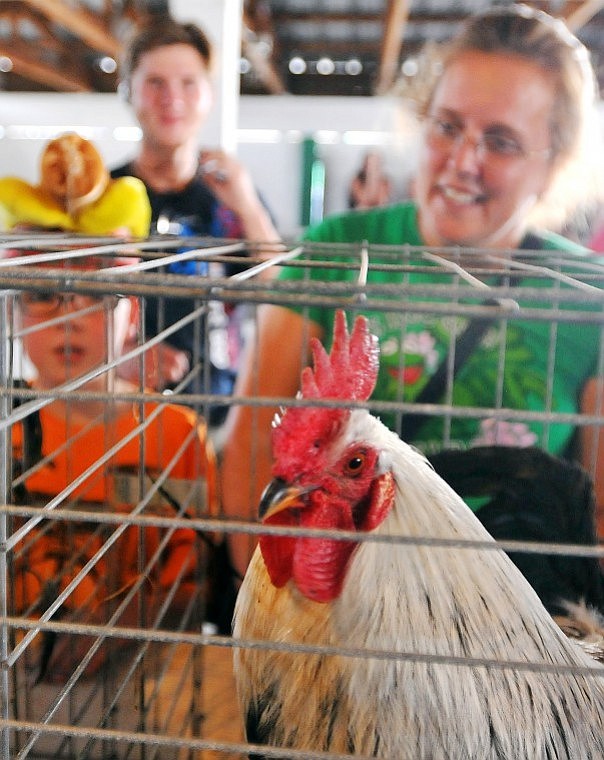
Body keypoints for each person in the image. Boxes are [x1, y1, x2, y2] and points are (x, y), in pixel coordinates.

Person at [220, 4, 604, 577]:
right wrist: (268, 601)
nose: (463, 162)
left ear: (553, 165)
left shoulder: (587, 295)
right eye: (447, 126)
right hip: (339, 599)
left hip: (516, 613)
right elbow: (254, 439)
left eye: (500, 141)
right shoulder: (337, 250)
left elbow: (596, 511)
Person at [8, 252, 221, 681]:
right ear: (12, 314)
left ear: (133, 313)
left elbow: (198, 584)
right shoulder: (5, 426)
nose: (69, 317)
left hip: (147, 678)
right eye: (43, 294)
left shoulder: (175, 435)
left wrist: (120, 628)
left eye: (97, 294)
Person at [111, 19, 281, 425]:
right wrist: (117, 356)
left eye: (188, 83)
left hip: (219, 416)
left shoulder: (231, 196)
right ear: (129, 92)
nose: (172, 98)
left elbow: (278, 289)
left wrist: (249, 207)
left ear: (208, 96)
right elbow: (66, 310)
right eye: (155, 82)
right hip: (117, 417)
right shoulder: (105, 195)